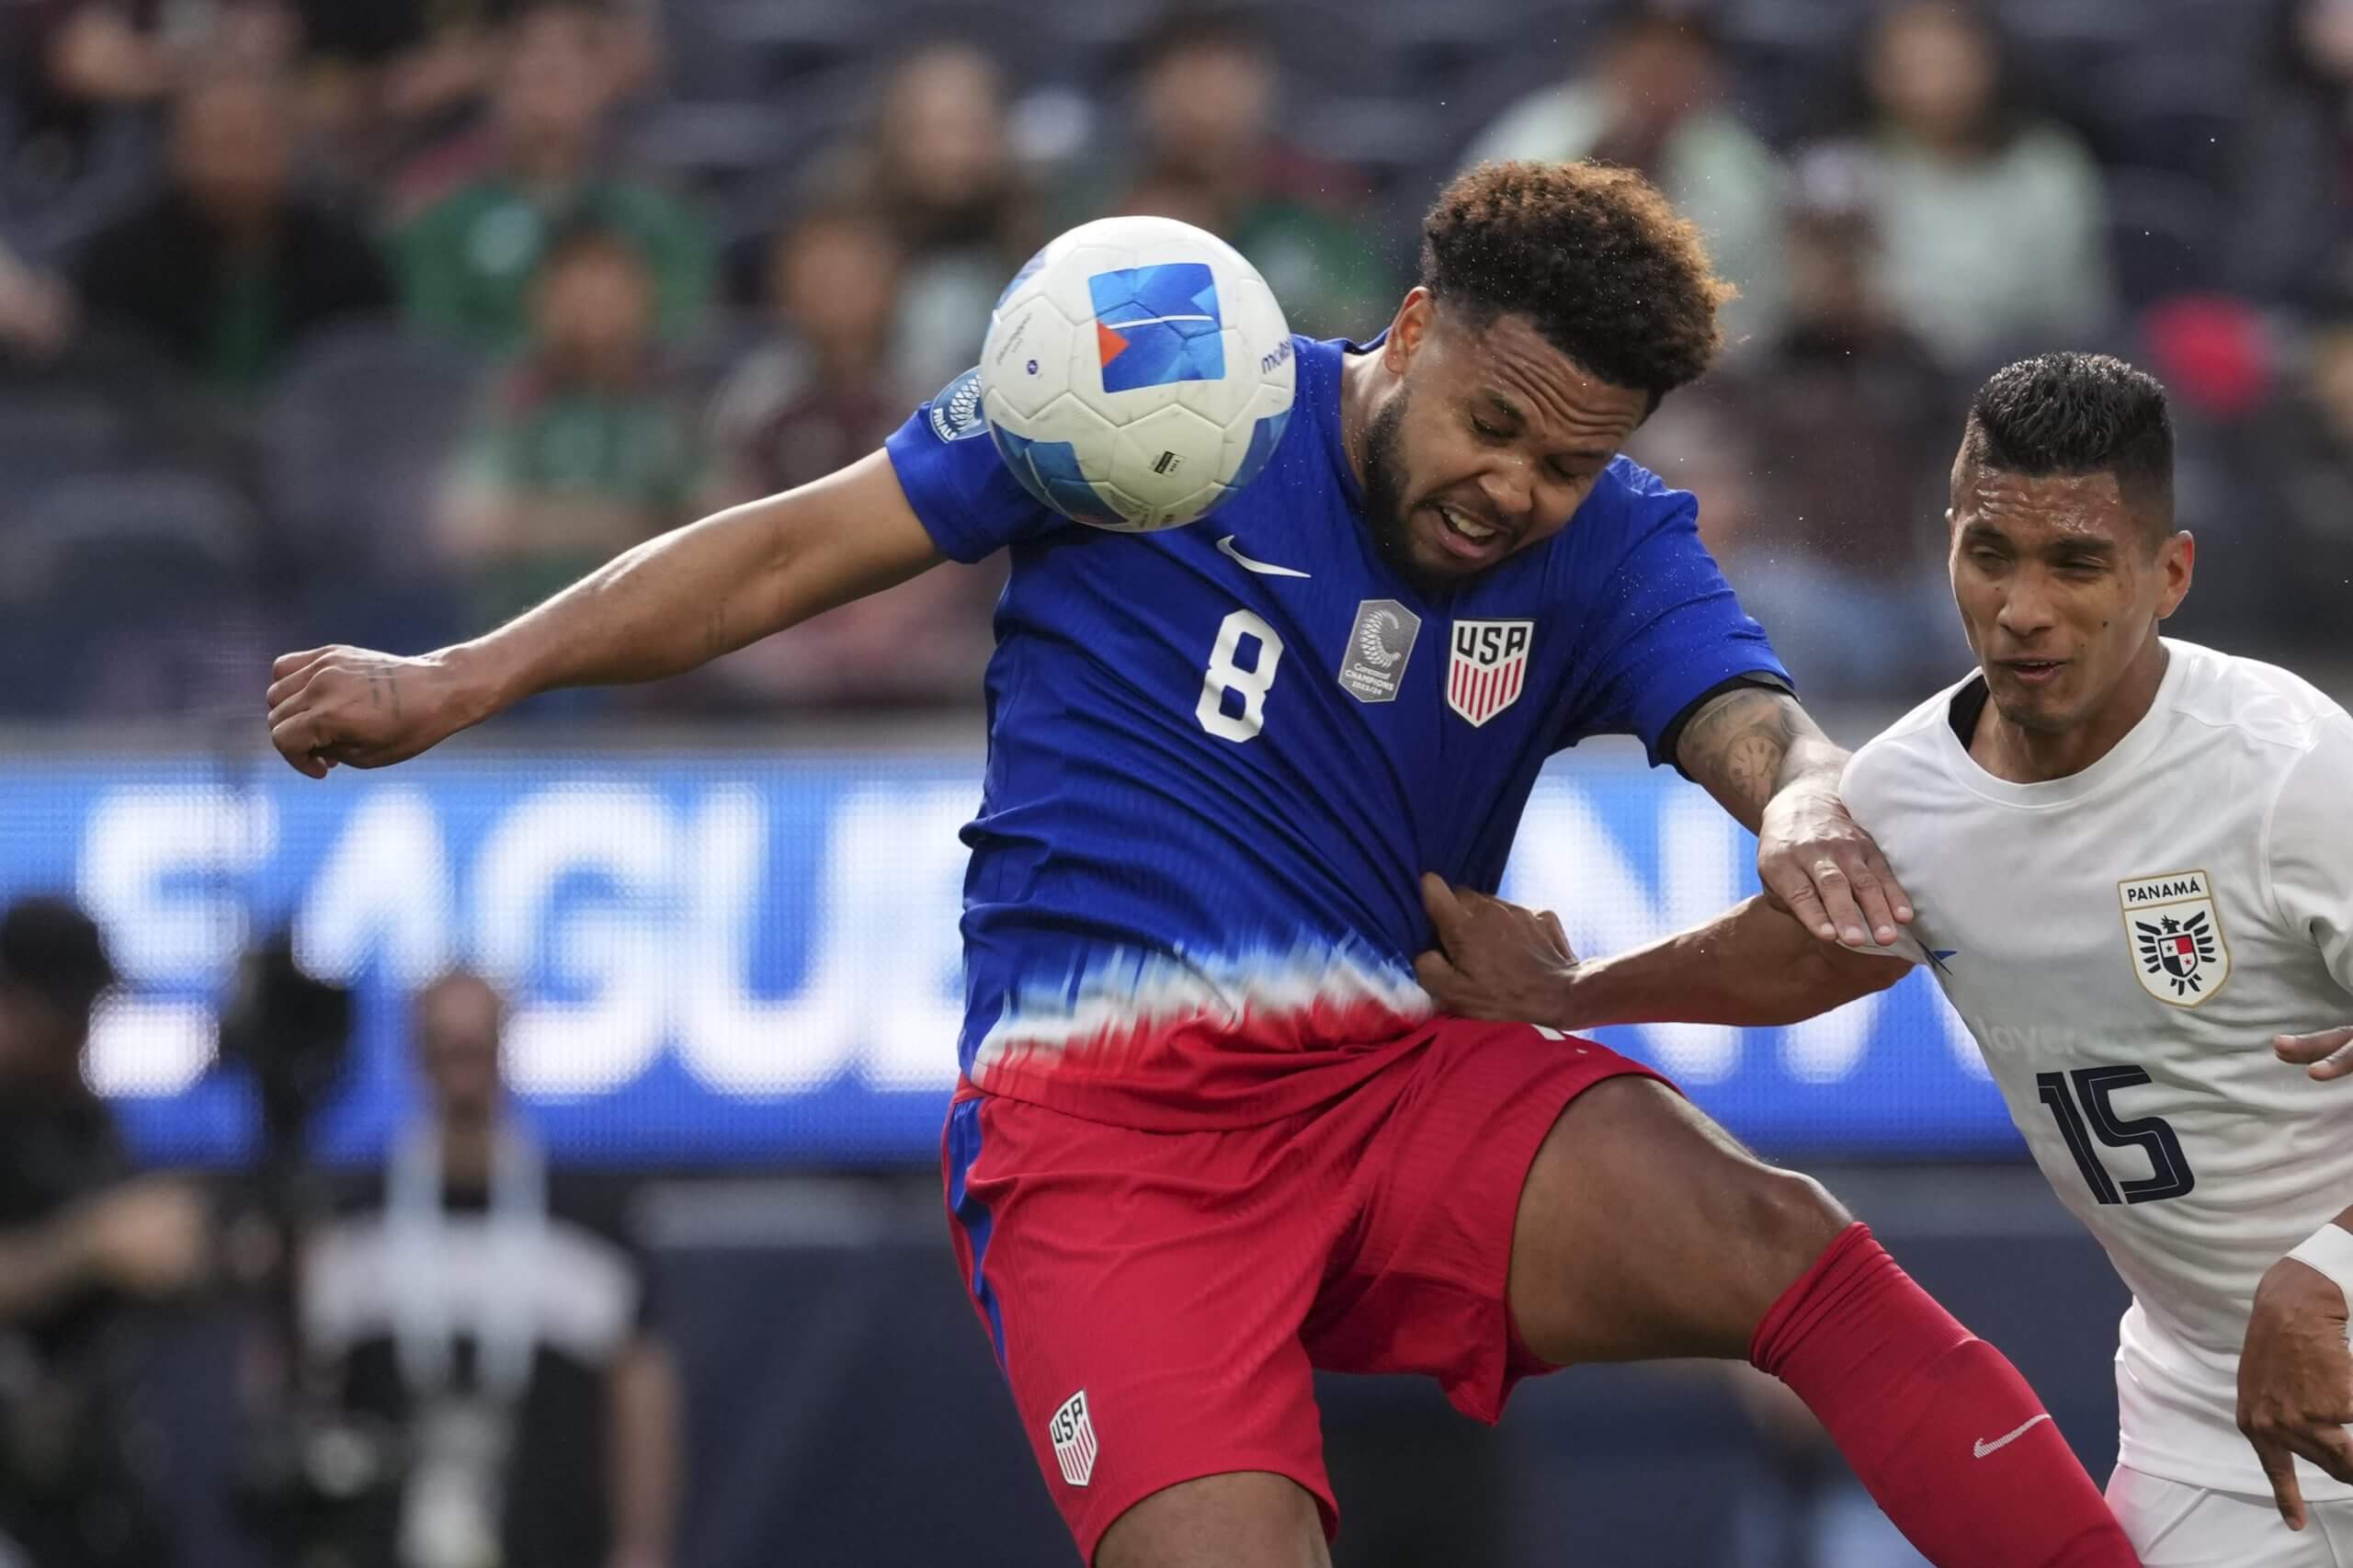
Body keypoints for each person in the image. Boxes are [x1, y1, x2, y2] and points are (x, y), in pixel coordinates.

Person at [262, 160, 2138, 1566]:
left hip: (1395, 1081)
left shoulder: (1617, 544)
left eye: (1564, 466)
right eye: (1490, 425)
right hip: (1107, 1144)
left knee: (1783, 1242)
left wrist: (1801, 803)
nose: (1514, 490)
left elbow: (1751, 724)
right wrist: (456, 676)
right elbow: (769, 558)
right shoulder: (1150, 400)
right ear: (1404, 333)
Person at [1415, 351, 2353, 1564]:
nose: (2024, 607)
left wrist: (2328, 1261)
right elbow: (1820, 955)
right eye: (1991, 552)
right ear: (1945, 540)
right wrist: (1576, 991)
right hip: (2207, 1397)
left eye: (2076, 563)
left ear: (2168, 573)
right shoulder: (1910, 789)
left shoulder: (2290, 770)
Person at [301, 969, 680, 1568]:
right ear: (414, 1056)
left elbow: (640, 1387)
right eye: (445, 1047)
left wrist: (641, 1548)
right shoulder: (353, 1225)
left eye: (476, 1046)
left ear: (505, 1047)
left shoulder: (587, 1225)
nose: (463, 1070)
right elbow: (310, 1390)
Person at [0, 896, 209, 1568]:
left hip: (85, 1484)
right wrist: (91, 1246)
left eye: (88, 1009)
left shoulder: (84, 1123)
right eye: (62, 1012)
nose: (80, 1032)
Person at [1463, 0, 1789, 354]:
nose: (1665, 72)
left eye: (1684, 56)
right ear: (1610, 54)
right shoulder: (1540, 137)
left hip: (1696, 378)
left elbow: (1760, 315)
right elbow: (1477, 268)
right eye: (1649, 52)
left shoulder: (1739, 168)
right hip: (1532, 355)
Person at [436, 222, 708, 637]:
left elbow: (724, 509)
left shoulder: (667, 405)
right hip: (521, 630)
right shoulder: (516, 400)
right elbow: (468, 525)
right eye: (577, 296)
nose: (594, 313)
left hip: (650, 632)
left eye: (610, 295)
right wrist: (599, 525)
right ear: (542, 304)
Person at [394, 0, 710, 352]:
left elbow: (681, 341)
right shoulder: (443, 224)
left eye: (561, 76)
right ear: (498, 89)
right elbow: (433, 352)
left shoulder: (659, 219)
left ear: (602, 85)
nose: (546, 96)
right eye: (530, 77)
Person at [1819, 0, 2113, 370]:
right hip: (1881, 385)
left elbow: (2070, 314)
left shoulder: (2049, 170)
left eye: (1948, 64)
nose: (1932, 86)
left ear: (1991, 63)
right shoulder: (1840, 170)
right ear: (1875, 72)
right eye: (1911, 67)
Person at [69, 62, 395, 395]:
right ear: (176, 149)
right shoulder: (122, 259)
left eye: (250, 144)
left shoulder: (345, 256)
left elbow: (373, 371)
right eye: (215, 145)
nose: (232, 167)